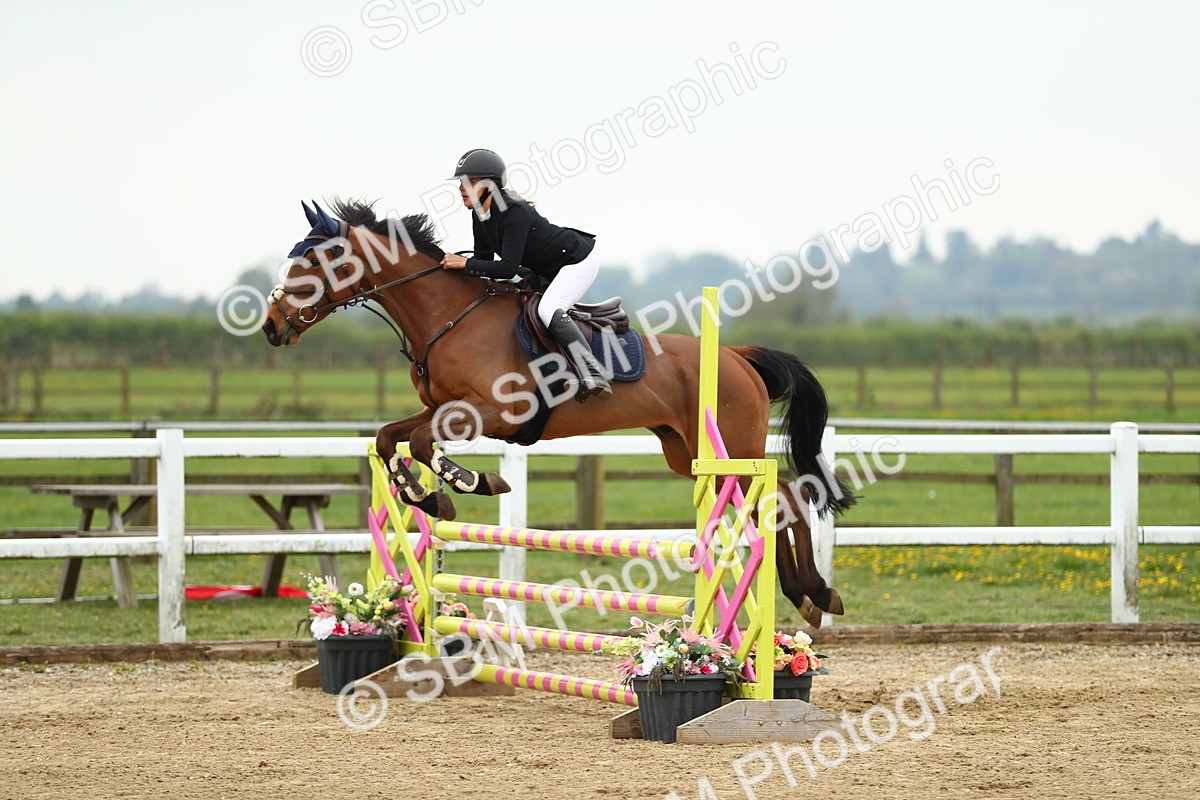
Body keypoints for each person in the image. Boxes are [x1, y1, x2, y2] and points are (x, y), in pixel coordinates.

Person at [439, 148, 612, 400]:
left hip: (577, 261)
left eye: (470, 182)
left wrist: (464, 264)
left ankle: (594, 372)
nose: (461, 188)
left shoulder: (513, 211)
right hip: (547, 267)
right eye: (461, 183)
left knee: (548, 309)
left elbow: (507, 268)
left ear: (490, 185)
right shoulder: (480, 214)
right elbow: (484, 262)